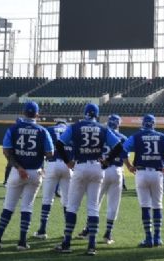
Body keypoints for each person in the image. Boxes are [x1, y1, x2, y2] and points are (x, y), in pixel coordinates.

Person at [54, 103, 121, 256]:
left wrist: (67, 161)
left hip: (80, 166)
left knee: (72, 206)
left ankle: (67, 243)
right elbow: (118, 146)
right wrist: (107, 161)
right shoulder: (103, 128)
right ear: (96, 115)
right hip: (97, 167)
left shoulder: (75, 127)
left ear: (84, 113)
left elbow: (59, 144)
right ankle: (91, 246)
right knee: (93, 207)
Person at [0, 102, 54, 251]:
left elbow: (6, 151)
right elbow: (50, 153)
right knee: (27, 206)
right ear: (37, 115)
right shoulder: (42, 131)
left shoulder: (14, 128)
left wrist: (19, 167)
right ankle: (22, 242)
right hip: (35, 172)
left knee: (8, 206)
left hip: (17, 172)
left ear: (23, 113)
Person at [122, 114, 164, 248]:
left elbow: (122, 150)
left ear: (143, 123)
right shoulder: (163, 137)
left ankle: (148, 238)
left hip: (141, 173)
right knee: (157, 205)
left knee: (145, 206)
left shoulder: (136, 136)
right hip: (157, 173)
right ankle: (157, 237)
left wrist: (129, 166)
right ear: (154, 124)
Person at [77, 113, 131, 244]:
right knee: (113, 203)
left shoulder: (101, 133)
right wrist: (129, 166)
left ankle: (88, 229)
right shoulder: (123, 138)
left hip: (101, 169)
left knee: (95, 202)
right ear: (119, 124)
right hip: (116, 171)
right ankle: (108, 233)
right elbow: (124, 156)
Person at [34, 120, 72, 239]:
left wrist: (40, 166)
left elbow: (41, 149)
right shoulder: (71, 130)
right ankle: (67, 231)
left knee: (47, 199)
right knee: (67, 201)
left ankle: (42, 230)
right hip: (68, 165)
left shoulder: (49, 129)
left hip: (52, 164)